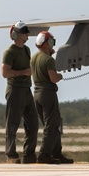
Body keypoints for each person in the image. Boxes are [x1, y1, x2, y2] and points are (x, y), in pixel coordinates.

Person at [31, 31, 73, 164]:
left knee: (53, 124)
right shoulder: (49, 60)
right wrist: (59, 75)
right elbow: (53, 78)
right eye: (51, 42)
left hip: (36, 94)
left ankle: (56, 152)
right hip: (47, 94)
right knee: (51, 125)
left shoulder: (34, 58)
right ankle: (44, 154)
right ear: (47, 43)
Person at [1, 22, 39, 164]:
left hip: (26, 89)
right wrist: (23, 72)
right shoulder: (9, 52)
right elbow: (5, 73)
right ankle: (11, 155)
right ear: (15, 34)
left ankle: (28, 154)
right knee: (12, 124)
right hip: (15, 89)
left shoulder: (27, 50)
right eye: (24, 32)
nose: (27, 34)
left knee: (33, 123)